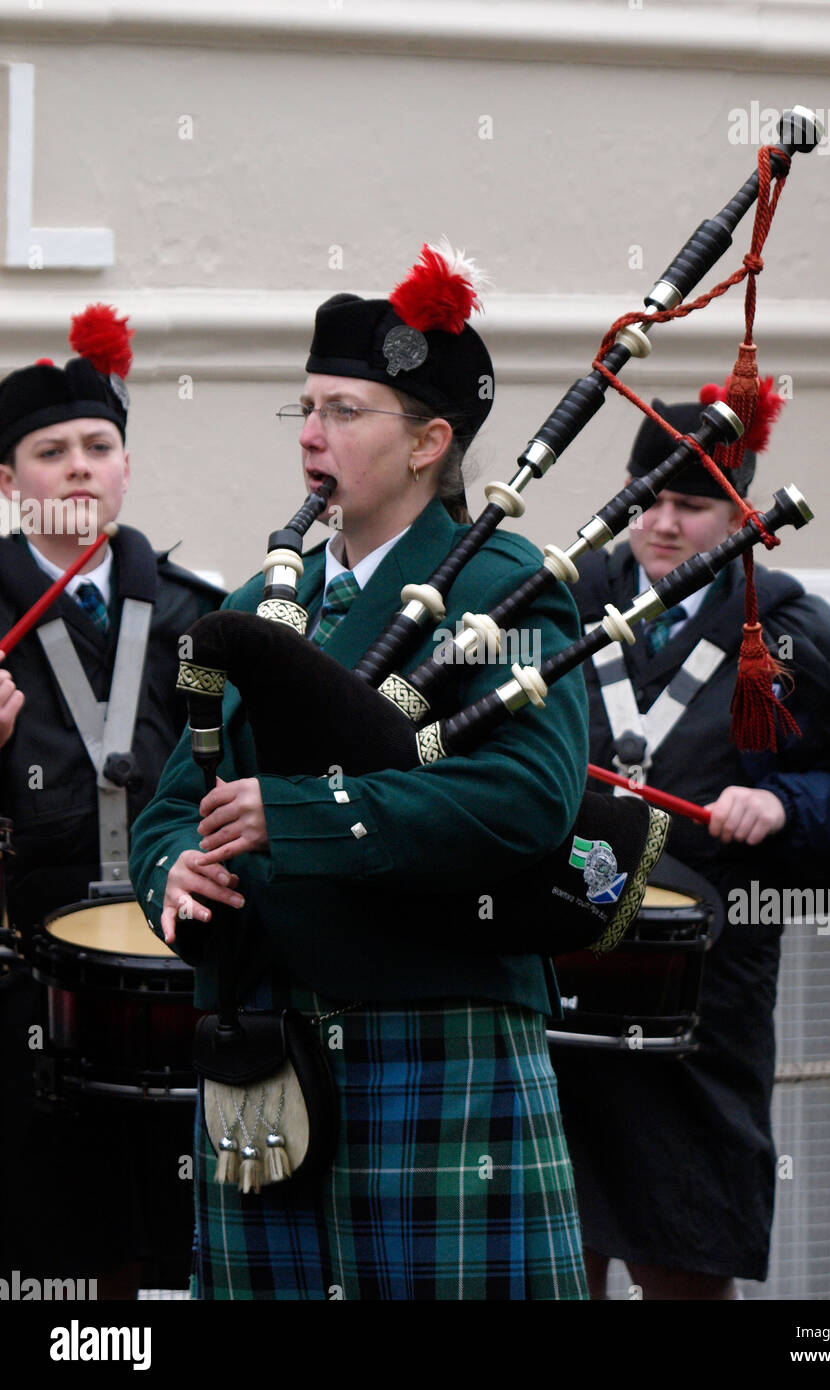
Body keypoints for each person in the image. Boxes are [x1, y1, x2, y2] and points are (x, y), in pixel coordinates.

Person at [129, 243, 591, 1301]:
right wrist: (172, 873)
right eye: (304, 408)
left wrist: (293, 817)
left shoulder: (506, 591)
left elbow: (527, 800)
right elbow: (169, 806)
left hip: (433, 1039)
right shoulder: (257, 601)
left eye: (345, 410)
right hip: (266, 1057)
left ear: (432, 441)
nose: (310, 435)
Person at [551, 396, 830, 1300]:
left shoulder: (783, 628)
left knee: (684, 1258)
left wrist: (781, 803)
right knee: (551, 1260)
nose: (663, 523)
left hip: (703, 999)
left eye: (693, 504)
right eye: (647, 496)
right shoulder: (563, 608)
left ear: (741, 514)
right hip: (556, 983)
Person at [0, 304, 224, 1290]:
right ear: (10, 485)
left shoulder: (197, 610)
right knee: (54, 1247)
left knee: (168, 1239)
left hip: (173, 970)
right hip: (26, 977)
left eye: (101, 445)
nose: (81, 466)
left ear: (127, 467)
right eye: (52, 452)